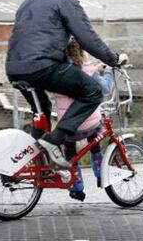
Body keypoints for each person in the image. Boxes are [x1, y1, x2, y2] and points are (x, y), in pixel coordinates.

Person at [5, 0, 128, 169]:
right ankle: (54, 141)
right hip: (44, 66)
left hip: (15, 68)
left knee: (41, 112)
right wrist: (113, 59)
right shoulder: (65, 1)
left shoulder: (28, 1)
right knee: (92, 91)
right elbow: (87, 38)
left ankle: (34, 164)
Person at [54, 39, 114, 201]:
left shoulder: (57, 72)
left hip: (69, 127)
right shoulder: (89, 70)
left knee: (69, 148)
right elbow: (105, 89)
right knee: (95, 135)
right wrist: (107, 71)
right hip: (90, 124)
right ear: (82, 52)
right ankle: (101, 173)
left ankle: (76, 186)